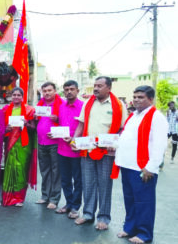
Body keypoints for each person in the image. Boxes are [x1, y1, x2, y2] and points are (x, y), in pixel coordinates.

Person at [115, 86, 168, 244]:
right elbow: (127, 138)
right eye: (135, 96)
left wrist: (151, 167)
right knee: (130, 200)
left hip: (143, 168)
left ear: (150, 99)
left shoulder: (156, 117)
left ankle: (144, 234)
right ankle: (130, 227)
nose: (136, 99)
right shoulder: (133, 115)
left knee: (144, 202)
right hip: (127, 165)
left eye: (141, 97)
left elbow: (160, 145)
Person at [72, 76, 127, 230]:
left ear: (109, 88)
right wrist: (74, 141)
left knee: (104, 185)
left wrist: (116, 143)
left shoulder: (119, 105)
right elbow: (81, 125)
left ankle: (103, 218)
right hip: (88, 150)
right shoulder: (88, 103)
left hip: (107, 153)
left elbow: (123, 128)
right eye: (95, 85)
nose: (96, 88)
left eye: (100, 86)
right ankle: (88, 214)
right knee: (88, 184)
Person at [1, 87, 36, 207]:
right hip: (10, 142)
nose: (16, 97)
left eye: (18, 95)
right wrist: (6, 129)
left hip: (23, 143)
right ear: (11, 96)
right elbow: (2, 127)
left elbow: (33, 128)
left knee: (21, 170)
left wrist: (27, 124)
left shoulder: (29, 110)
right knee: (9, 168)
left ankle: (19, 198)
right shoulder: (6, 109)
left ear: (22, 97)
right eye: (14, 95)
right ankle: (8, 196)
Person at [55, 80, 83, 218]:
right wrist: (54, 133)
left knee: (78, 180)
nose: (69, 92)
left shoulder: (84, 107)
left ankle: (75, 207)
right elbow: (60, 125)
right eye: (66, 89)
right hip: (62, 149)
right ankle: (68, 203)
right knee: (65, 179)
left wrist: (74, 138)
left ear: (78, 90)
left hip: (76, 150)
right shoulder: (61, 106)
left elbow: (85, 127)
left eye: (72, 89)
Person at [35, 82, 64, 209]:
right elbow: (36, 121)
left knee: (56, 172)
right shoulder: (40, 104)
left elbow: (67, 122)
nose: (46, 93)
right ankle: (45, 196)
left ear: (55, 91)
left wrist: (58, 119)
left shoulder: (62, 104)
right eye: (44, 91)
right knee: (44, 171)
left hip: (55, 143)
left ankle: (54, 199)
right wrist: (35, 117)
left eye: (49, 90)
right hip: (42, 142)